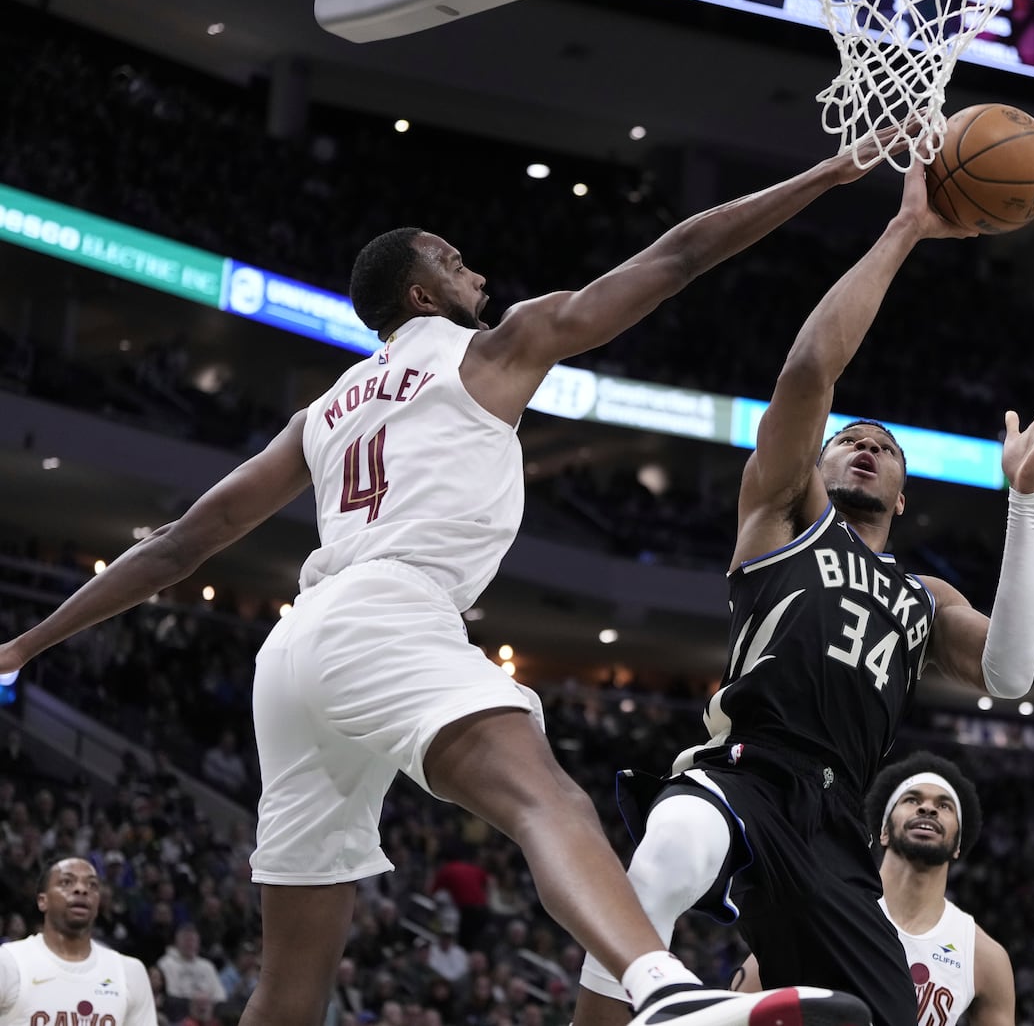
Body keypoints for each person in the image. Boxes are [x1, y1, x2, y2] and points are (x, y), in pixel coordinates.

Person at [0, 132, 911, 1026]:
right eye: (453, 256)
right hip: (390, 616)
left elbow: (181, 544)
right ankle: (664, 991)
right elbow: (675, 259)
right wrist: (827, 174)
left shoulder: (322, 412)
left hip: (293, 652)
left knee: (289, 993)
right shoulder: (494, 349)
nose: (474, 268)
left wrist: (23, 643)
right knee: (547, 797)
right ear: (418, 288)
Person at [573, 159, 1034, 1026]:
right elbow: (811, 367)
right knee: (661, 861)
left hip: (840, 824)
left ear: (903, 493)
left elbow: (1010, 673)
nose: (862, 448)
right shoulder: (783, 515)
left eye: (882, 447)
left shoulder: (923, 593)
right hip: (749, 770)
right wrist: (904, 232)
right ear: (813, 464)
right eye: (846, 439)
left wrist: (1024, 498)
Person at [732, 753, 1015, 1025]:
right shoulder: (823, 909)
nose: (927, 808)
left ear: (957, 845)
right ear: (884, 830)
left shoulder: (984, 956)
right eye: (912, 799)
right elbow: (738, 1007)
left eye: (944, 806)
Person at [0, 857, 157, 1026]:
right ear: (42, 900)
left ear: (98, 903)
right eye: (66, 882)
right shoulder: (8, 963)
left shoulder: (129, 973)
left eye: (92, 885)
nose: (81, 889)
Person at [157, 923, 227, 1003]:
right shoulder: (166, 964)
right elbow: (171, 993)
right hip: (179, 1009)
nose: (190, 944)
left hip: (207, 1008)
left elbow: (220, 995)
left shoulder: (207, 966)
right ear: (177, 941)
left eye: (193, 940)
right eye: (186, 940)